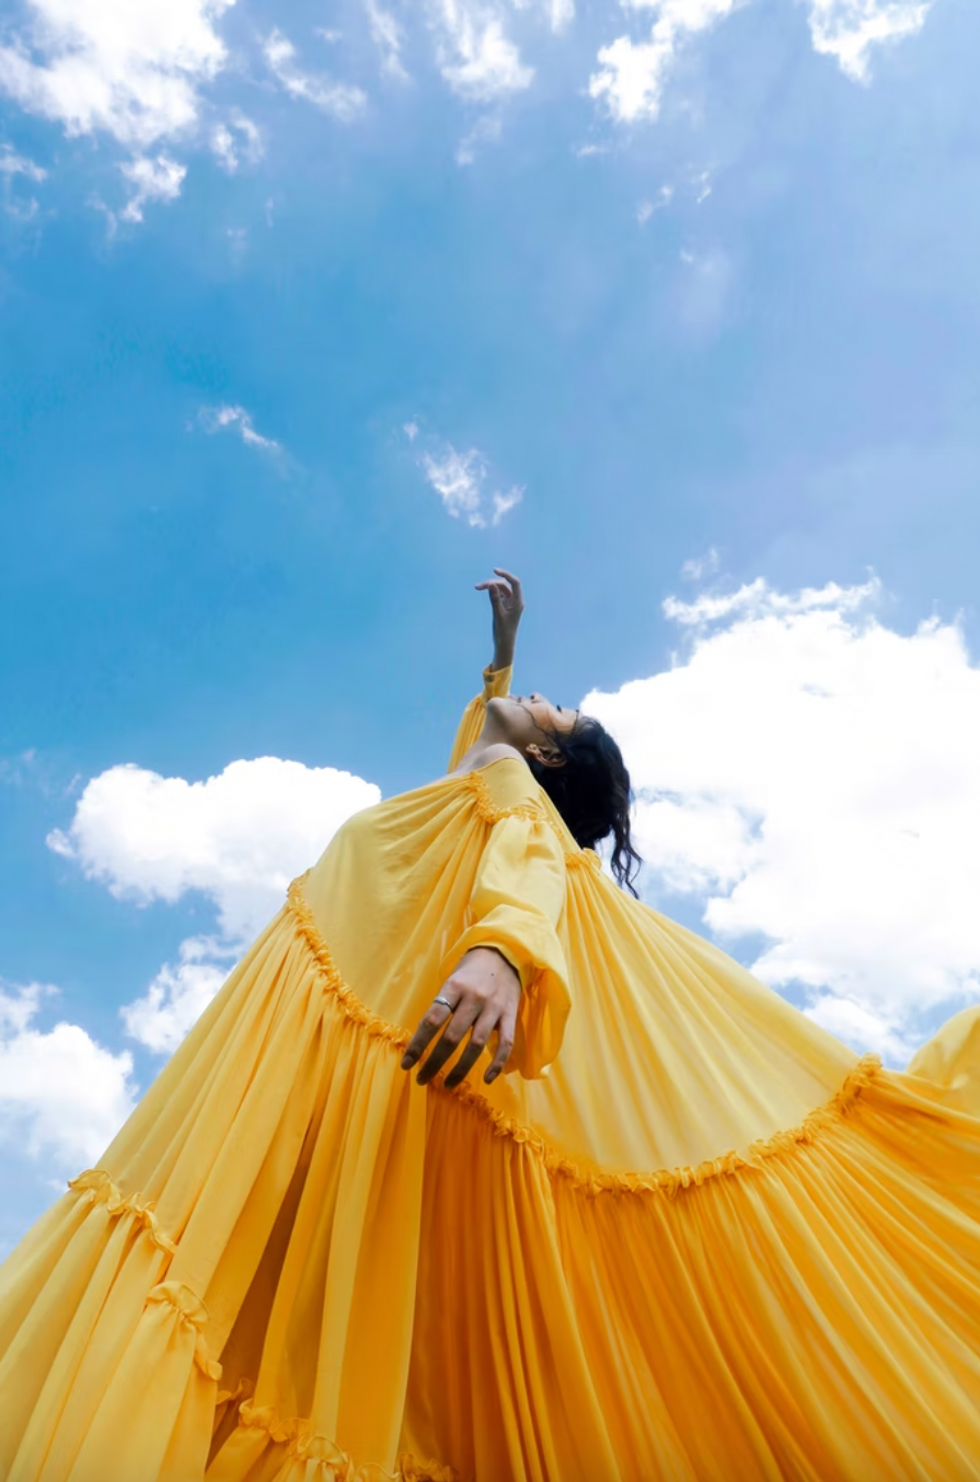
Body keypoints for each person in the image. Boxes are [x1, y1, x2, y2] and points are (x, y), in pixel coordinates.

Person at [0, 571, 979, 1482]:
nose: (538, 702)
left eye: (553, 711)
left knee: (251, 1309)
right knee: (247, 1303)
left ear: (544, 754)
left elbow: (530, 849)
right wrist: (502, 657)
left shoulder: (508, 802)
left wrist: (500, 952)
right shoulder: (469, 790)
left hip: (340, 1055)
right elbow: (478, 748)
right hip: (311, 1057)